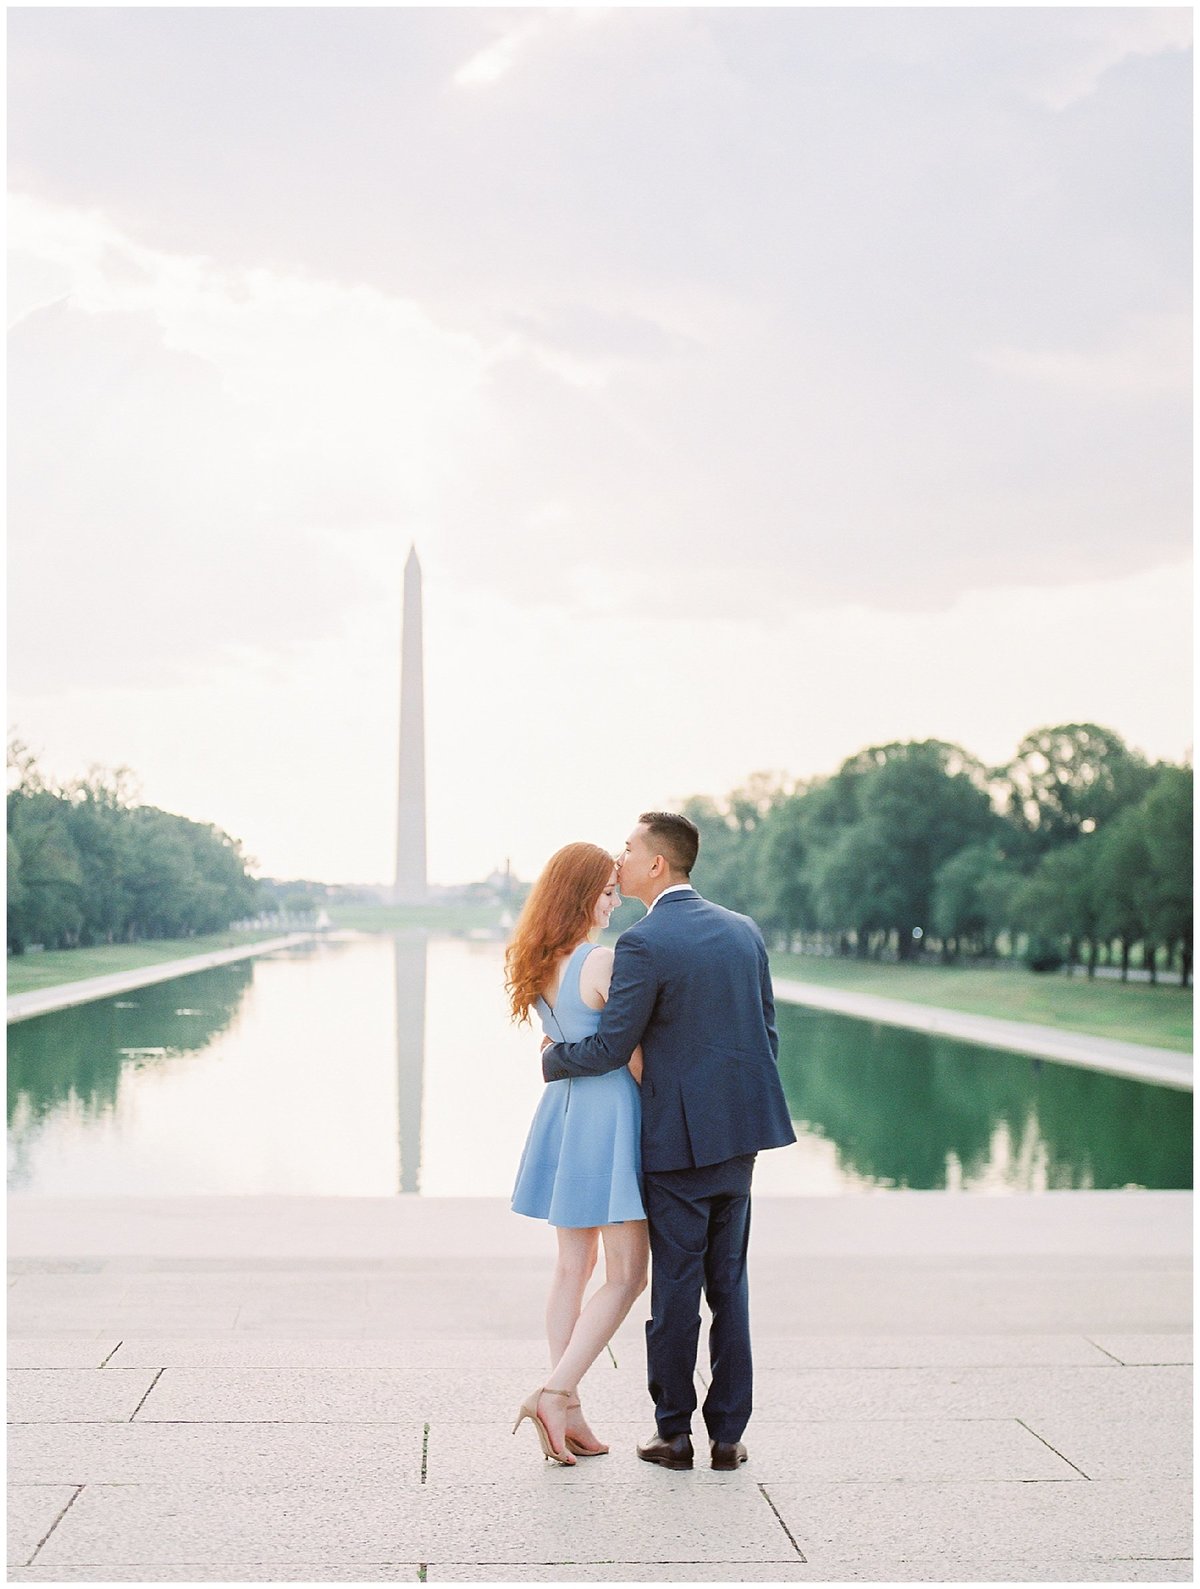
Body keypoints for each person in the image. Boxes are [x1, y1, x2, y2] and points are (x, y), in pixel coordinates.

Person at [541, 812, 796, 1472]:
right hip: (739, 1139)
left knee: (676, 1289)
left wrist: (552, 1058)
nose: (620, 859)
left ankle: (674, 1434)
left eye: (628, 849)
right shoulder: (743, 930)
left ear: (656, 863)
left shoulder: (643, 942)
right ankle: (729, 1437)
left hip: (676, 1141)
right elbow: (767, 1035)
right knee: (730, 1285)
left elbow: (611, 1045)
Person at [506, 841, 650, 1467]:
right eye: (608, 892)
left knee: (572, 1267)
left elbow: (555, 1041)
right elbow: (631, 1052)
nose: (615, 903)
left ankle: (570, 1410)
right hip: (609, 1113)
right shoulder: (601, 961)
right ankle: (555, 1393)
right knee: (627, 1276)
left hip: (564, 1114)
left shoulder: (536, 961)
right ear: (583, 894)